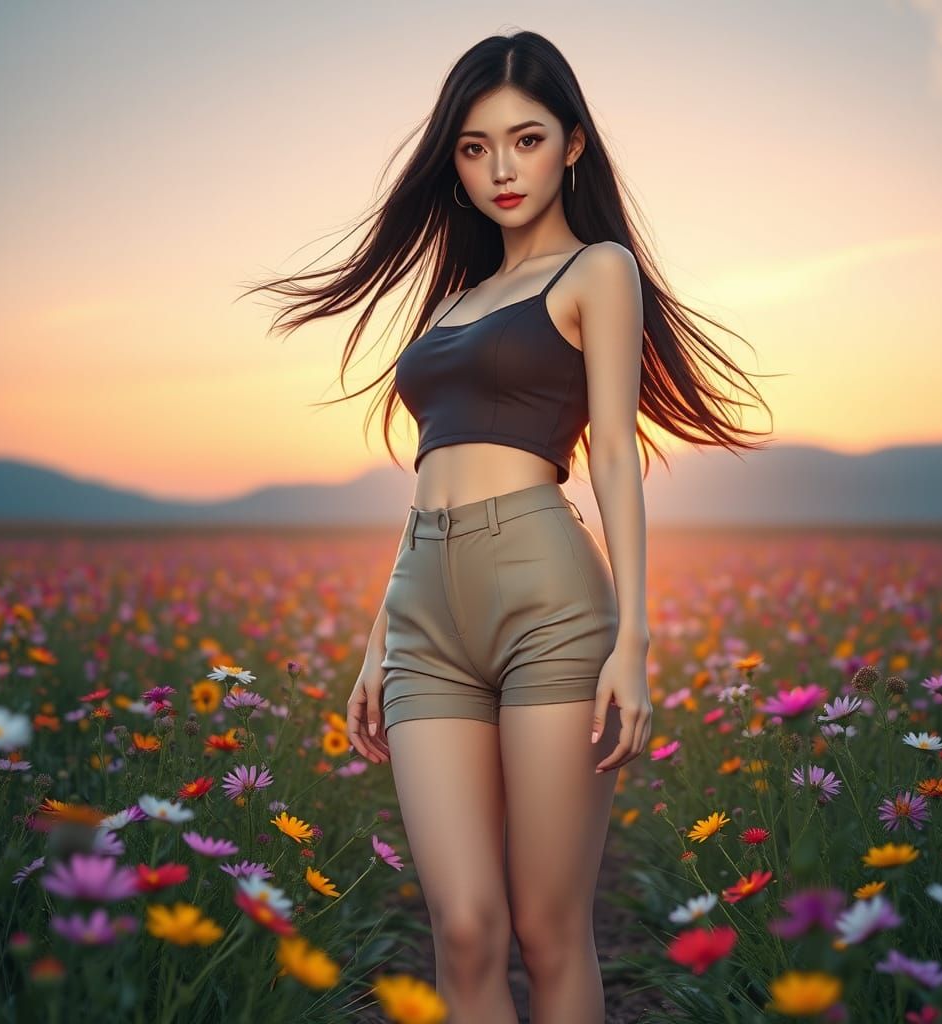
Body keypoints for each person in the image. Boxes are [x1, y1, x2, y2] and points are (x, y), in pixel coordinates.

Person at [243, 29, 774, 1024]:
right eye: (475, 147)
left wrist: (633, 641)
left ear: (572, 145)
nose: (500, 168)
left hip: (547, 601)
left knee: (544, 924)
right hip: (421, 610)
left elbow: (613, 453)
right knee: (466, 927)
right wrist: (374, 646)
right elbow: (425, 479)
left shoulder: (595, 271)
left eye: (525, 140)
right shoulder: (450, 300)